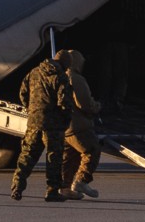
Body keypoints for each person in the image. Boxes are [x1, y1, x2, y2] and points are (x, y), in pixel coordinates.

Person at [10, 52, 74, 201]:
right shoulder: (61, 77)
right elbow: (64, 102)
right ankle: (52, 191)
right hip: (53, 125)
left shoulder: (34, 72)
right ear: (65, 64)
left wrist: (32, 110)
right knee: (54, 158)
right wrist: (66, 119)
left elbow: (23, 93)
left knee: (27, 155)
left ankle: (17, 187)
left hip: (34, 122)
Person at [58, 50, 102, 199]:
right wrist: (96, 106)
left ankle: (64, 188)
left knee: (69, 159)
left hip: (64, 126)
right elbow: (84, 103)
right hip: (78, 126)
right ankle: (81, 181)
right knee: (91, 150)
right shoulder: (75, 78)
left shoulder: (59, 77)